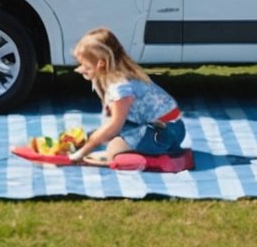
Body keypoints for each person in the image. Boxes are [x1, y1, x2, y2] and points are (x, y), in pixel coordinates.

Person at [67, 26, 185, 164]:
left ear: (101, 64)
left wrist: (84, 151)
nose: (80, 69)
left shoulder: (120, 87)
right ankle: (147, 148)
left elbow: (114, 126)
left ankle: (155, 157)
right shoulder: (117, 77)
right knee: (97, 136)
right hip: (164, 128)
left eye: (86, 66)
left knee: (113, 147)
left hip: (167, 133)